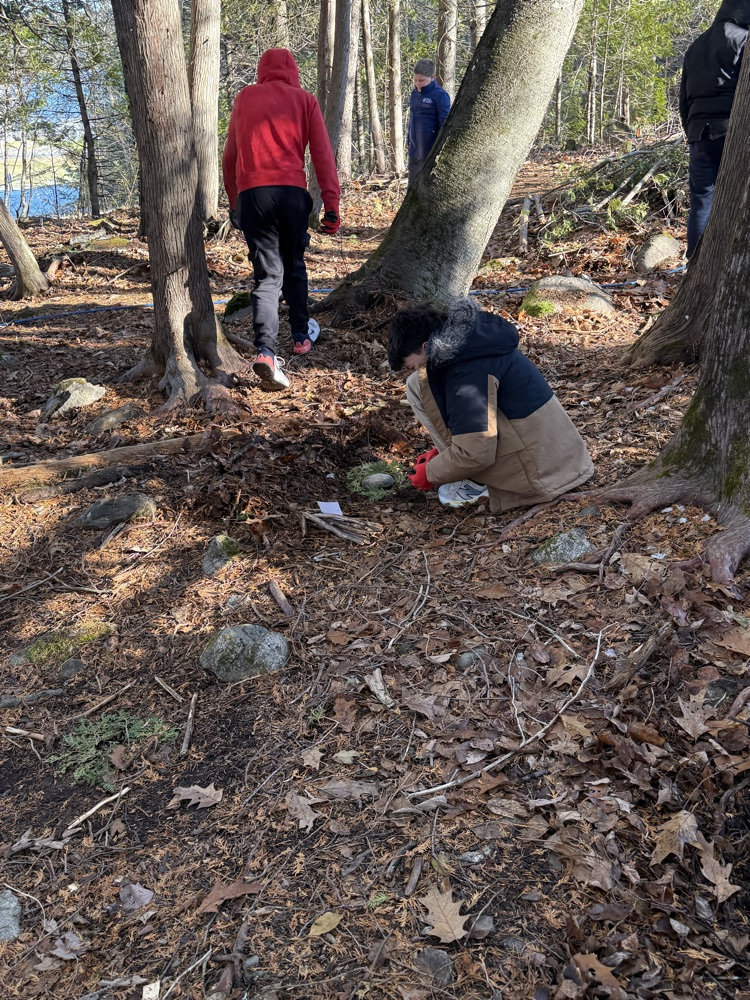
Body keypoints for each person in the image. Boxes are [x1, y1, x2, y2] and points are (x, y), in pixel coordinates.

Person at [388, 300, 594, 510]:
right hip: (565, 459)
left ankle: (476, 483)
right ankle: (460, 466)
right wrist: (445, 456)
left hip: (541, 477)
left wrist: (431, 473)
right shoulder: (473, 343)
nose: (415, 370)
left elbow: (475, 453)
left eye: (412, 366)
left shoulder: (465, 373)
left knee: (420, 384)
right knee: (416, 384)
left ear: (425, 347)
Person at [222, 48, 341, 391]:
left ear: (262, 71)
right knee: (294, 264)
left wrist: (235, 202)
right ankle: (301, 336)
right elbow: (322, 154)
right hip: (291, 195)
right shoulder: (305, 100)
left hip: (253, 196)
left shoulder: (245, 98)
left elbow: (230, 157)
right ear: (294, 72)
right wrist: (331, 204)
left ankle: (266, 352)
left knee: (267, 277)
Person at [679, 0, 750, 258]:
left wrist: (691, 132)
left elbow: (684, 100)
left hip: (699, 133)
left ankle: (694, 264)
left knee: (701, 201)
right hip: (733, 129)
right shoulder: (744, 39)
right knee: (738, 200)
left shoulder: (696, 46)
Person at [406, 59, 451, 187]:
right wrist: (408, 140)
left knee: (426, 187)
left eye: (421, 81)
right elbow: (412, 119)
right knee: (412, 187)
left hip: (430, 152)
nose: (418, 83)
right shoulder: (414, 94)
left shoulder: (440, 95)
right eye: (415, 80)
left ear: (432, 77)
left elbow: (444, 123)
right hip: (414, 151)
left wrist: (439, 148)